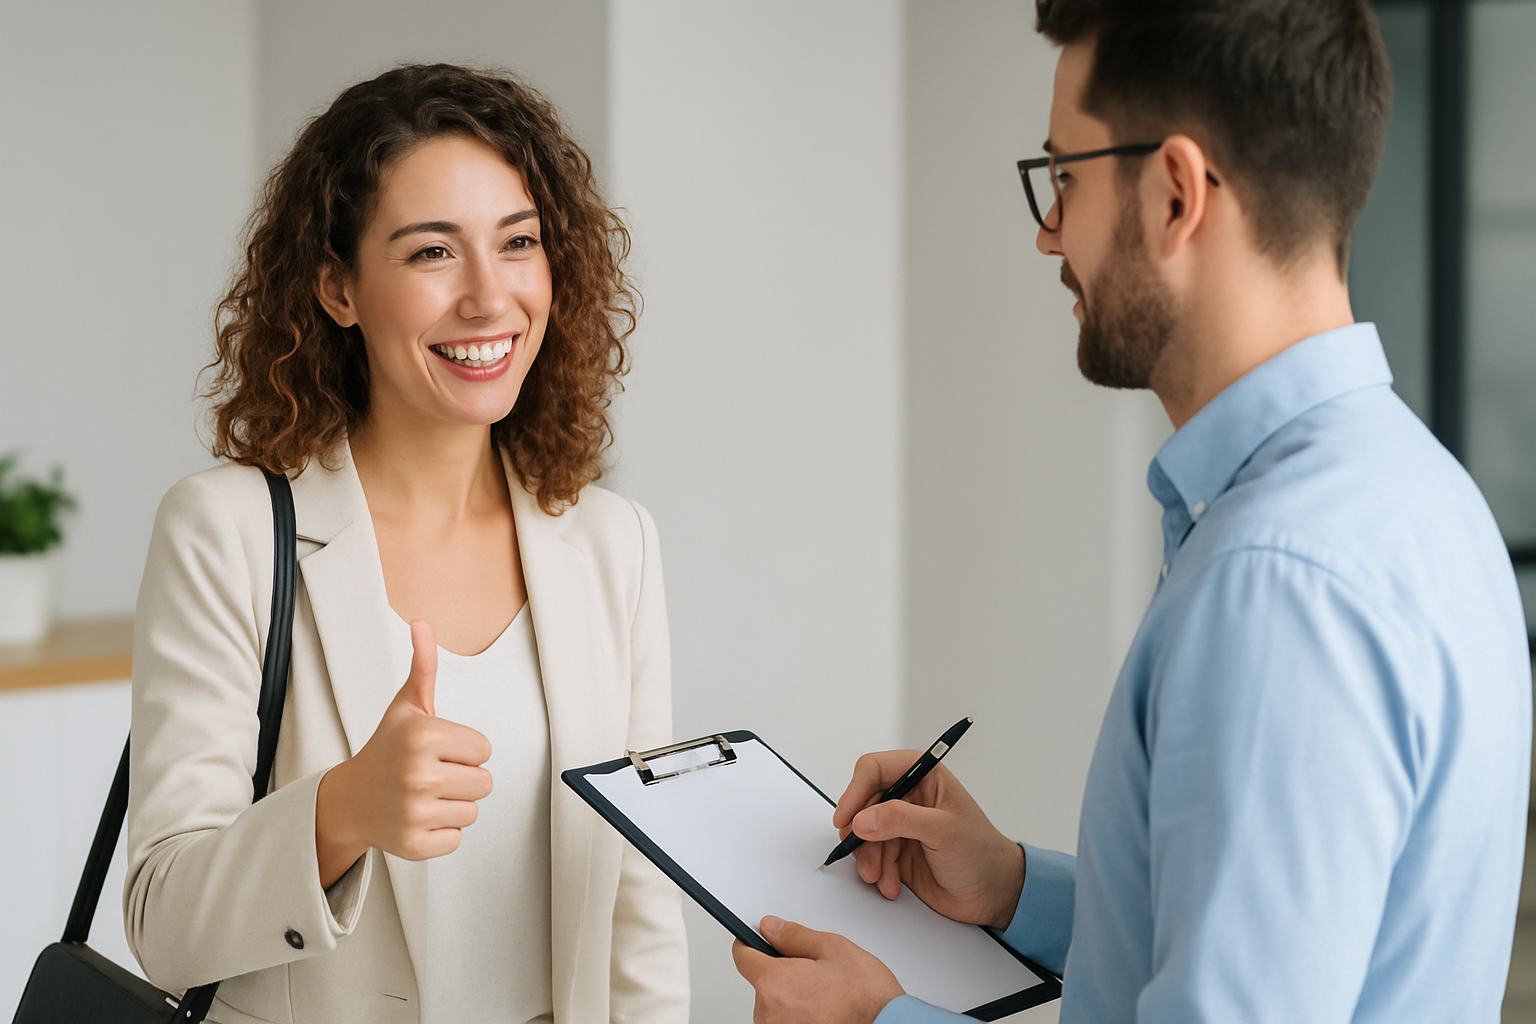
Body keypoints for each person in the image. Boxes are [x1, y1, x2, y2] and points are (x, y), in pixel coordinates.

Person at [732, 1, 1531, 1021]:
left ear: (1176, 194)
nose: (1046, 230)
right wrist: (1020, 888)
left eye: (1064, 177)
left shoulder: (1277, 582)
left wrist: (876, 1019)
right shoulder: (1419, 493)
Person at [123, 64, 688, 1024]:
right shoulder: (228, 532)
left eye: (518, 243)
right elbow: (163, 923)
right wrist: (343, 812)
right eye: (432, 253)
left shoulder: (611, 544)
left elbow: (638, 911)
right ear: (338, 288)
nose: (488, 298)